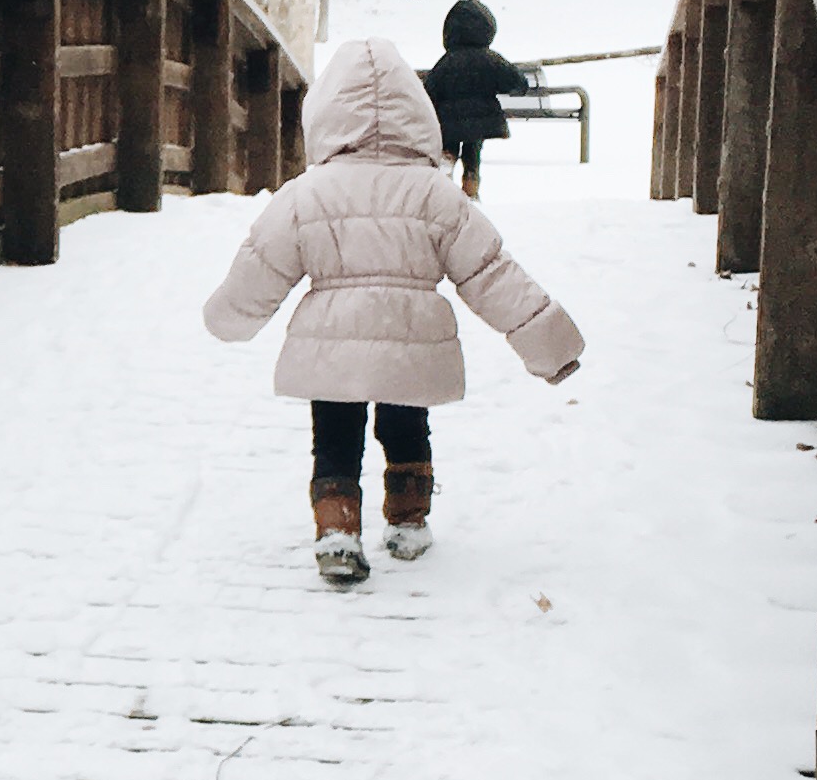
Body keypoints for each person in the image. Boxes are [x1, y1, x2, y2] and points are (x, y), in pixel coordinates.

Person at [203, 33, 583, 585]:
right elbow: (490, 273)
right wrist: (549, 344)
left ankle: (337, 529)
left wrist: (228, 316)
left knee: (334, 436)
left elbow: (261, 265)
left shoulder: (307, 195)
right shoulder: (436, 194)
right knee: (407, 427)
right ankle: (408, 521)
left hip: (331, 343)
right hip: (412, 336)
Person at [418, 0, 529, 196]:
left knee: (449, 146)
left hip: (449, 122)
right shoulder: (491, 60)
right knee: (473, 149)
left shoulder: (447, 62)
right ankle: (471, 183)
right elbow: (517, 82)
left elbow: (430, 91)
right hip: (481, 120)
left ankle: (445, 177)